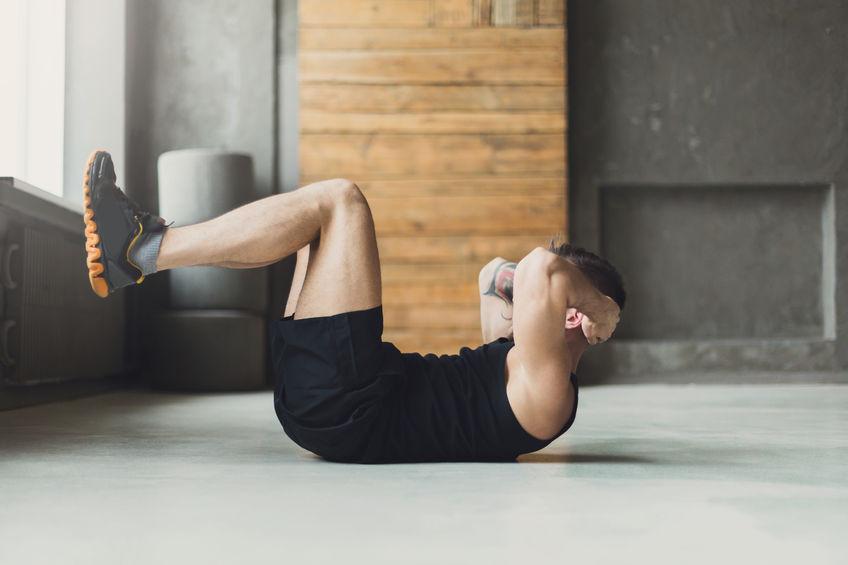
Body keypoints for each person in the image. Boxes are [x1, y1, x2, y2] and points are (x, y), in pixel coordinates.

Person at [82, 150, 625, 463]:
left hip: (350, 403)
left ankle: (144, 248)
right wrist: (555, 292)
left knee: (341, 199)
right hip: (334, 404)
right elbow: (492, 275)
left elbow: (540, 269)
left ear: (573, 315)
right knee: (309, 229)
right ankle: (143, 250)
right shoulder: (515, 362)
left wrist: (600, 307)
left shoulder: (547, 394)